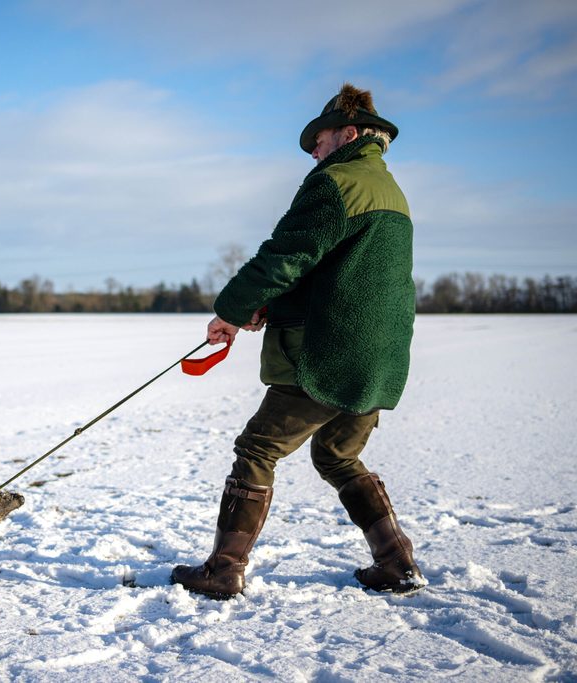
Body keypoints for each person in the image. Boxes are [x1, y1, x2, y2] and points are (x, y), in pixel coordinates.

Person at [171, 83, 424, 598]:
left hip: (327, 354)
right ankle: (397, 563)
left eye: (320, 139)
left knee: (258, 448)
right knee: (337, 455)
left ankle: (224, 570)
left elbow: (285, 256)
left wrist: (231, 310)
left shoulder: (336, 182)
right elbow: (338, 275)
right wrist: (275, 305)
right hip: (379, 356)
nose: (314, 150)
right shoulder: (390, 191)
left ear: (349, 134)